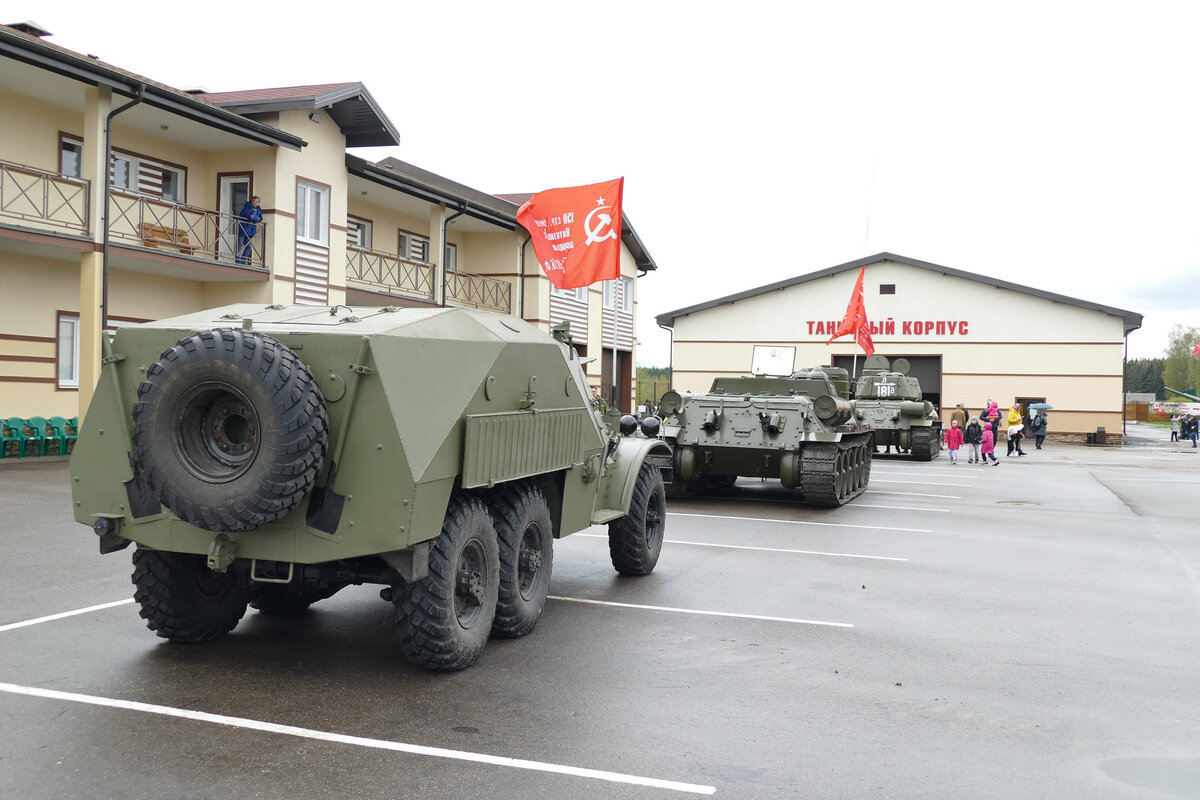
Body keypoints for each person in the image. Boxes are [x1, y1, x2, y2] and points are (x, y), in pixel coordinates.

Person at [236, 195, 262, 264]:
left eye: (256, 201)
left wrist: (254, 217)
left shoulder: (259, 209)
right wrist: (255, 218)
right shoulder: (247, 206)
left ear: (258, 203)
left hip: (250, 231)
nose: (255, 203)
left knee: (249, 247)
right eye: (254, 201)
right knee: (240, 246)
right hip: (243, 228)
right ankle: (238, 261)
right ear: (251, 201)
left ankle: (243, 261)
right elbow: (248, 215)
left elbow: (260, 218)